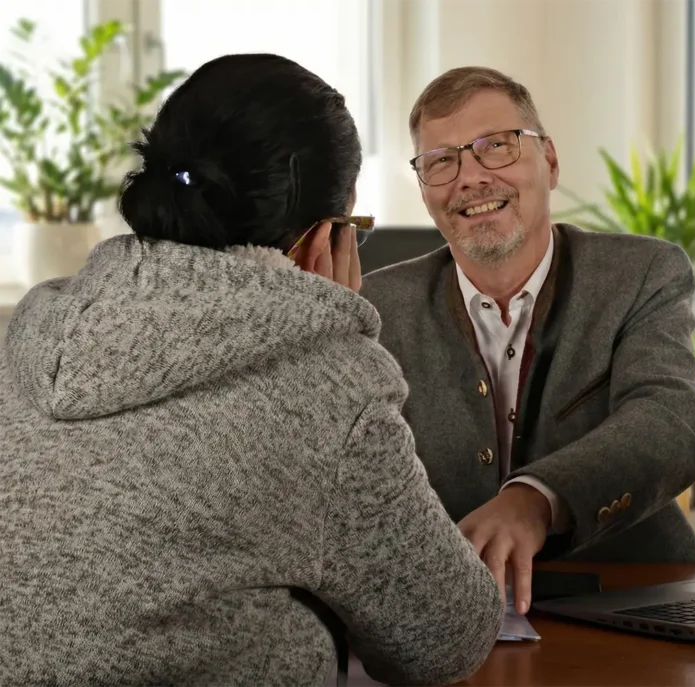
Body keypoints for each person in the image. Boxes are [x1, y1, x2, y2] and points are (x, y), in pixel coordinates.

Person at [0, 54, 503, 686]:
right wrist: (341, 332)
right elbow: (447, 639)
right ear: (323, 239)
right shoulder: (328, 384)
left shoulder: (36, 327)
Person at [360, 66, 695, 616]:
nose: (471, 177)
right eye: (441, 161)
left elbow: (672, 421)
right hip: (446, 620)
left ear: (549, 160)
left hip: (635, 597)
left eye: (496, 146)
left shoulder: (642, 272)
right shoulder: (376, 306)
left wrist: (534, 500)